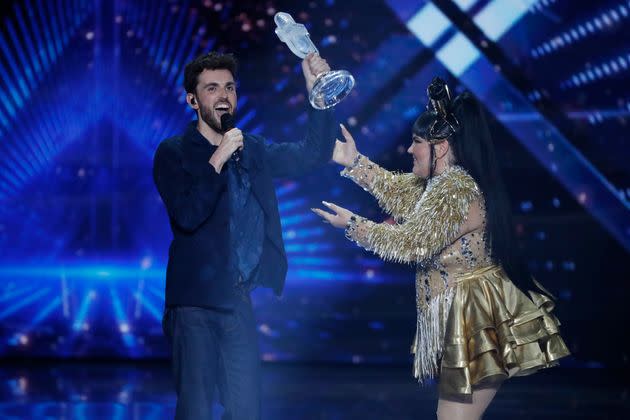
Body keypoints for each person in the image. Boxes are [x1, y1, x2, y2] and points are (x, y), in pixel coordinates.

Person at [312, 77, 570, 419]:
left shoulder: (455, 189)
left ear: (442, 146)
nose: (409, 149)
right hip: (461, 313)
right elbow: (399, 193)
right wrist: (354, 161)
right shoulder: (440, 185)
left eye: (417, 141)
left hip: (475, 317)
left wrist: (353, 226)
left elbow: (411, 244)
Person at [153, 51, 336, 419]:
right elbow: (188, 216)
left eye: (230, 87)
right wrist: (217, 158)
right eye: (212, 88)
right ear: (192, 99)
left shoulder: (251, 147)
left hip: (236, 301)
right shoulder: (173, 153)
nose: (223, 96)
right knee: (196, 411)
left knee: (245, 410)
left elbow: (311, 155)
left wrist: (317, 91)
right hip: (193, 305)